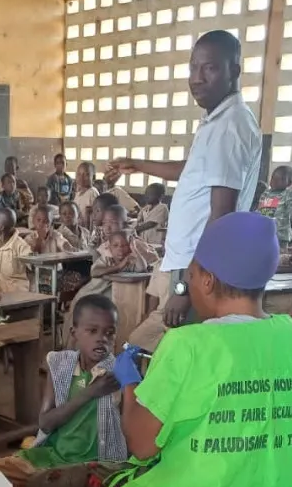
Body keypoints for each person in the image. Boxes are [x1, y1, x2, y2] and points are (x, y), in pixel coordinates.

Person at [38, 213, 292, 487]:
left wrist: (133, 382)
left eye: (190, 274)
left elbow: (142, 445)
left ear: (207, 279)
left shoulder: (186, 346)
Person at [109, 30, 261, 351]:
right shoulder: (215, 121)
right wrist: (137, 164)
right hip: (189, 265)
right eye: (193, 68)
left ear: (234, 71)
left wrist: (183, 287)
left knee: (150, 353)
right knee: (156, 353)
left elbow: (221, 214)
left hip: (197, 269)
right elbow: (190, 170)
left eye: (210, 68)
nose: (197, 78)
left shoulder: (229, 126)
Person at [0, 295, 127, 487]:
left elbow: (129, 436)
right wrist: (89, 393)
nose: (101, 338)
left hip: (91, 468)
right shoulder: (60, 366)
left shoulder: (119, 374)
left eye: (109, 332)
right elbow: (45, 423)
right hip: (51, 456)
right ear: (74, 333)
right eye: (92, 331)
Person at [256, 166, 292, 269]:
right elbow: (260, 211)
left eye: (280, 179)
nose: (274, 182)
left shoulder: (290, 193)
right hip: (263, 235)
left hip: (280, 236)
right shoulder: (266, 193)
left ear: (289, 182)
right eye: (273, 178)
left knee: (277, 262)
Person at [72, 162, 100, 226]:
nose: (81, 177)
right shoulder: (78, 192)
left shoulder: (92, 193)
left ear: (93, 178)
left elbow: (95, 216)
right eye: (79, 174)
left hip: (87, 229)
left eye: (86, 175)